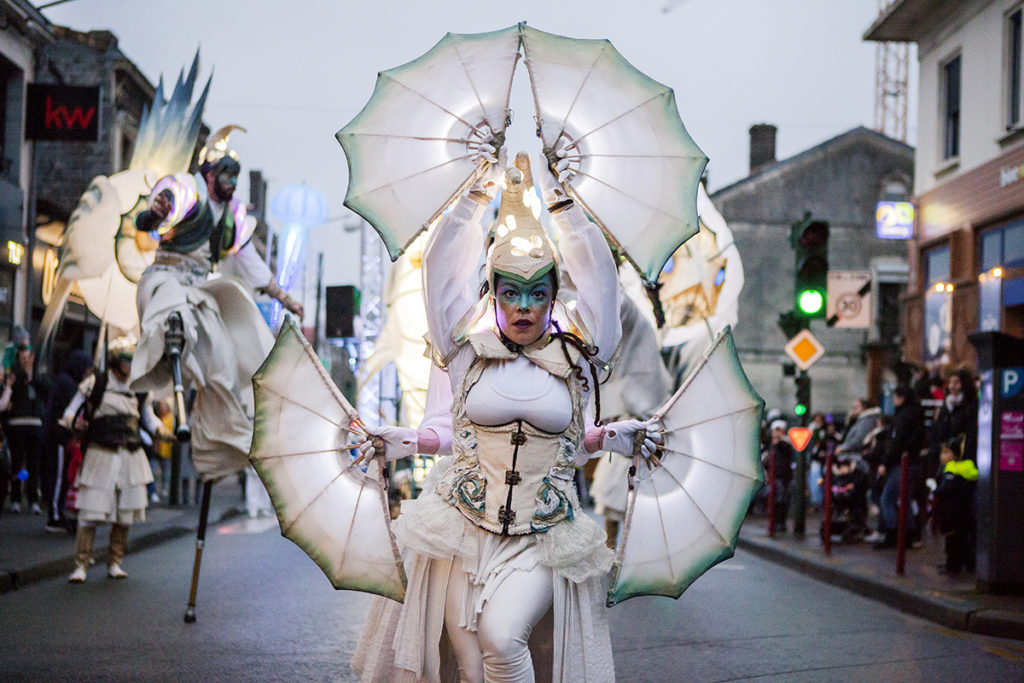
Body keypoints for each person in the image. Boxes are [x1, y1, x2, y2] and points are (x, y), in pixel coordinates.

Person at [351, 151, 656, 682]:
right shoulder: (467, 353)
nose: (524, 307)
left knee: (502, 635)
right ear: (492, 293)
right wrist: (473, 196)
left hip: (542, 533)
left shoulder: (577, 358)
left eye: (538, 293)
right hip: (464, 528)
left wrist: (562, 202)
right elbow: (440, 277)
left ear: (554, 297)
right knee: (471, 663)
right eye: (510, 292)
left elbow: (602, 290)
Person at [129, 127, 293, 481]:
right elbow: (153, 215)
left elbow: (251, 263)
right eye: (226, 174)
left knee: (223, 365)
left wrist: (284, 297)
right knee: (176, 315)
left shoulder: (232, 216)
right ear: (209, 175)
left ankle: (220, 446)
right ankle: (170, 356)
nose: (232, 182)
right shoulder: (188, 191)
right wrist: (155, 213)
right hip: (164, 279)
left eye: (235, 175)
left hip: (198, 291)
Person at [63, 337, 166, 582]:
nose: (129, 366)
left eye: (132, 361)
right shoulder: (95, 383)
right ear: (115, 361)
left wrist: (162, 431)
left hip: (130, 455)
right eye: (125, 361)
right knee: (91, 510)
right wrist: (76, 423)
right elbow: (69, 413)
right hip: (101, 452)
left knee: (125, 513)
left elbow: (148, 418)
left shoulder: (140, 387)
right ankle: (81, 564)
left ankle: (115, 562)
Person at [40, 349, 93, 532]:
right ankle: (55, 516)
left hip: (57, 435)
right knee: (58, 475)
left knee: (59, 475)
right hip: (59, 436)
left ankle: (57, 513)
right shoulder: (68, 384)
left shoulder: (63, 380)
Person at [873, 385, 925, 550]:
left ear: (901, 398)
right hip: (912, 461)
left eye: (895, 397)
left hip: (900, 462)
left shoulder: (903, 417)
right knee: (904, 499)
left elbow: (897, 442)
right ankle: (909, 534)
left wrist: (885, 462)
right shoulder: (916, 414)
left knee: (887, 499)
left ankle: (894, 533)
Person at [4, 346, 46, 515]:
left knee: (33, 464)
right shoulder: (14, 374)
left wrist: (32, 375)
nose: (26, 361)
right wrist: (24, 373)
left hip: (34, 423)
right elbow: (12, 390)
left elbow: (45, 389)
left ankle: (33, 499)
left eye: (28, 358)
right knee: (18, 463)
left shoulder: (38, 374)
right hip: (17, 423)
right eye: (23, 358)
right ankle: (16, 497)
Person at [933, 436, 977, 574]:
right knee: (962, 538)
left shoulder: (951, 470)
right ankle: (969, 563)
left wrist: (935, 491)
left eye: (946, 452)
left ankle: (953, 565)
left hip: (952, 512)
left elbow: (945, 489)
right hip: (964, 510)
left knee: (953, 540)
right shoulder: (968, 468)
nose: (942, 456)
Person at [764, 419, 794, 533]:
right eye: (774, 430)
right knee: (774, 500)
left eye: (778, 430)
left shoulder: (785, 444)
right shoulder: (771, 445)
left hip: (783, 477)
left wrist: (780, 439)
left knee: (781, 500)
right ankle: (775, 522)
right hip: (773, 476)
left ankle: (780, 523)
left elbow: (787, 451)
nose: (775, 433)